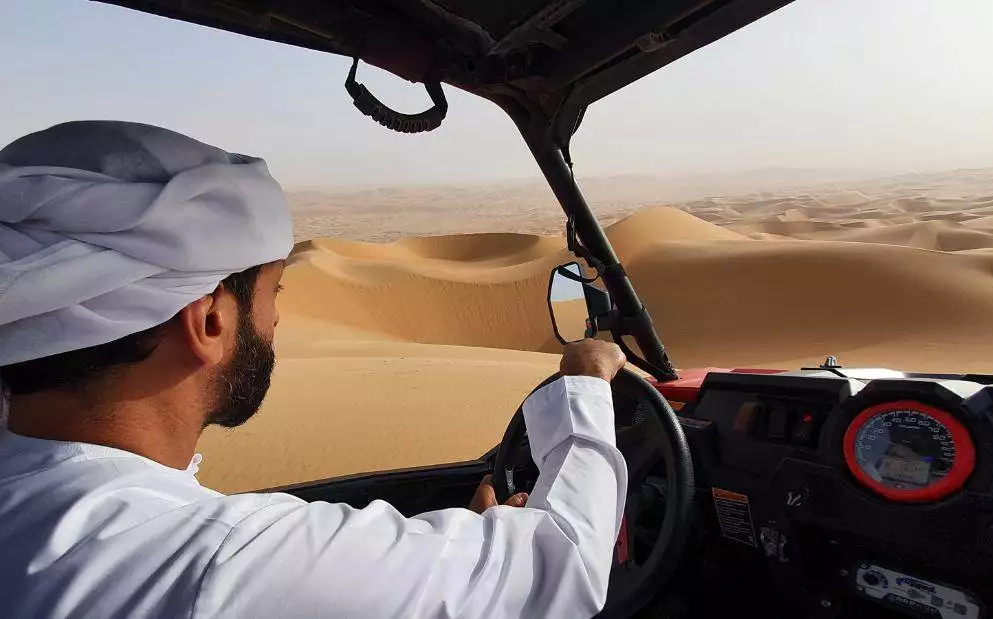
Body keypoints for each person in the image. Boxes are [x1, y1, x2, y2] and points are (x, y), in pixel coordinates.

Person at [0, 121, 629, 618]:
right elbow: (562, 568)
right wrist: (584, 383)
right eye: (272, 291)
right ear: (209, 320)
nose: (276, 319)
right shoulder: (214, 562)